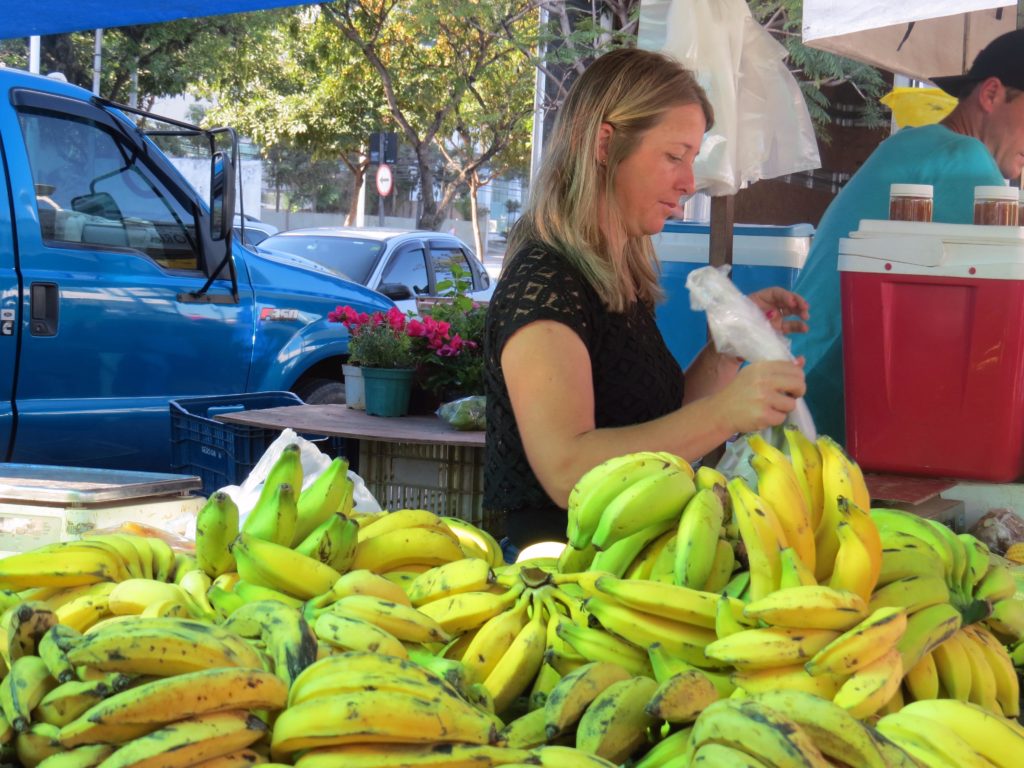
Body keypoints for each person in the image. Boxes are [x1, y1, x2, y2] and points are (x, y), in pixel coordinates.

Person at [483, 47, 809, 552]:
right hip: (560, 583)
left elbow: (659, 427)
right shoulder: (545, 282)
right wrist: (727, 412)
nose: (688, 181)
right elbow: (567, 473)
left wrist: (728, 347)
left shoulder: (613, 278)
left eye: (692, 159)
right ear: (606, 145)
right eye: (674, 156)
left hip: (632, 565)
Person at [790, 28, 1024, 443]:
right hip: (822, 411)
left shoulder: (915, 143)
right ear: (991, 95)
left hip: (791, 386)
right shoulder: (964, 160)